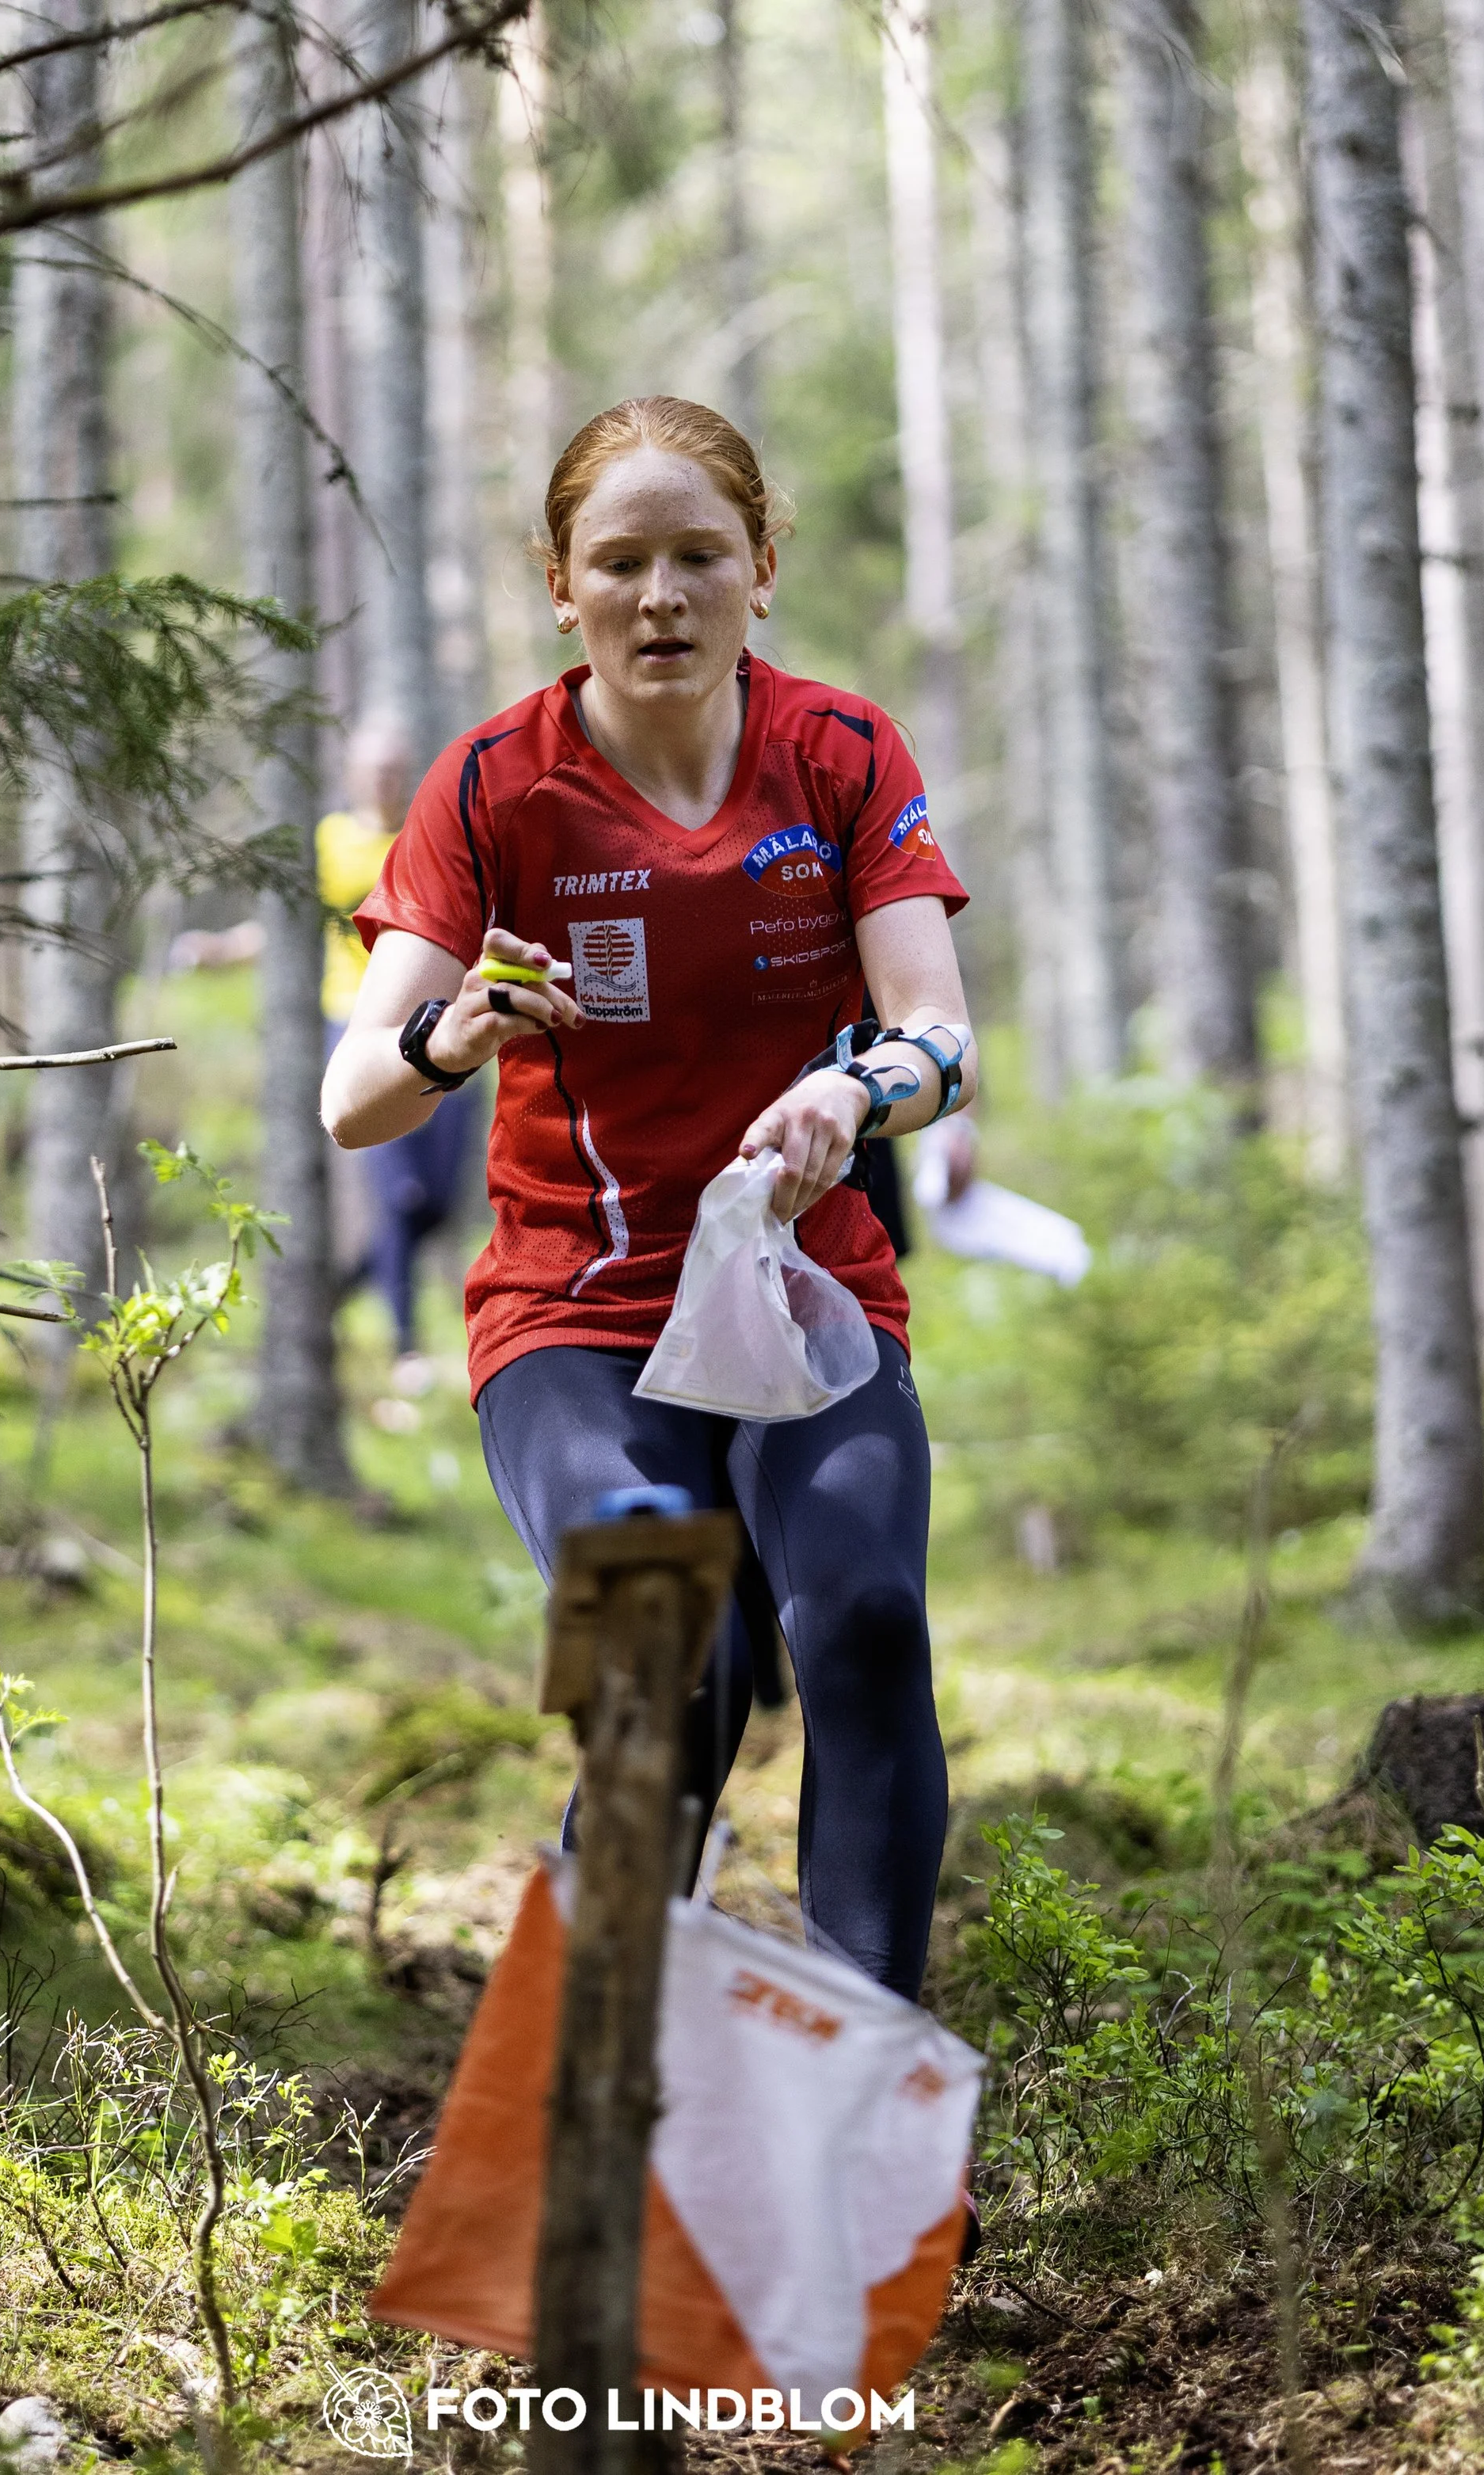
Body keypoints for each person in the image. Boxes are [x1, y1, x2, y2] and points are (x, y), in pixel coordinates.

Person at [320, 396, 977, 2001]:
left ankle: (860, 2070)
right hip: (576, 1316)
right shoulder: (491, 786)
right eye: (619, 562)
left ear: (762, 566)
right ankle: (593, 2070)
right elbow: (351, 1101)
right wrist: (451, 1027)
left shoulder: (836, 753)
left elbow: (939, 1029)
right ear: (562, 585)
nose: (660, 595)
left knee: (868, 1619)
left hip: (798, 1293)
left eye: (699, 555)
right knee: (653, 1634)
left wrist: (853, 1085)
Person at [319, 720, 480, 1366]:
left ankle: (344, 1286)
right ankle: (405, 1346)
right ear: (354, 773)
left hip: (443, 1028)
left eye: (395, 769)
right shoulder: (329, 840)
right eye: (374, 769)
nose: (385, 780)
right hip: (355, 1025)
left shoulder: (430, 839)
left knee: (437, 1202)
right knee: (399, 1198)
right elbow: (288, 916)